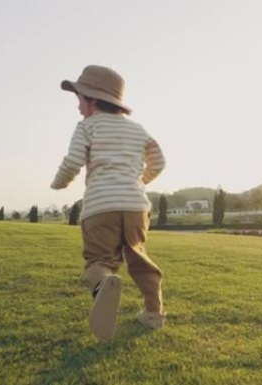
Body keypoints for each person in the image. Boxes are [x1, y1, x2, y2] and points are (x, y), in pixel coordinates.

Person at [50, 65, 166, 340]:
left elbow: (73, 161)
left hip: (101, 205)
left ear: (92, 100)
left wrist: (59, 182)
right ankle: (153, 314)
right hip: (136, 205)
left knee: (98, 262)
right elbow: (159, 162)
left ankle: (105, 284)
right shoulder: (139, 130)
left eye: (79, 99)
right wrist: (139, 183)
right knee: (139, 257)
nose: (78, 107)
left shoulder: (87, 126)